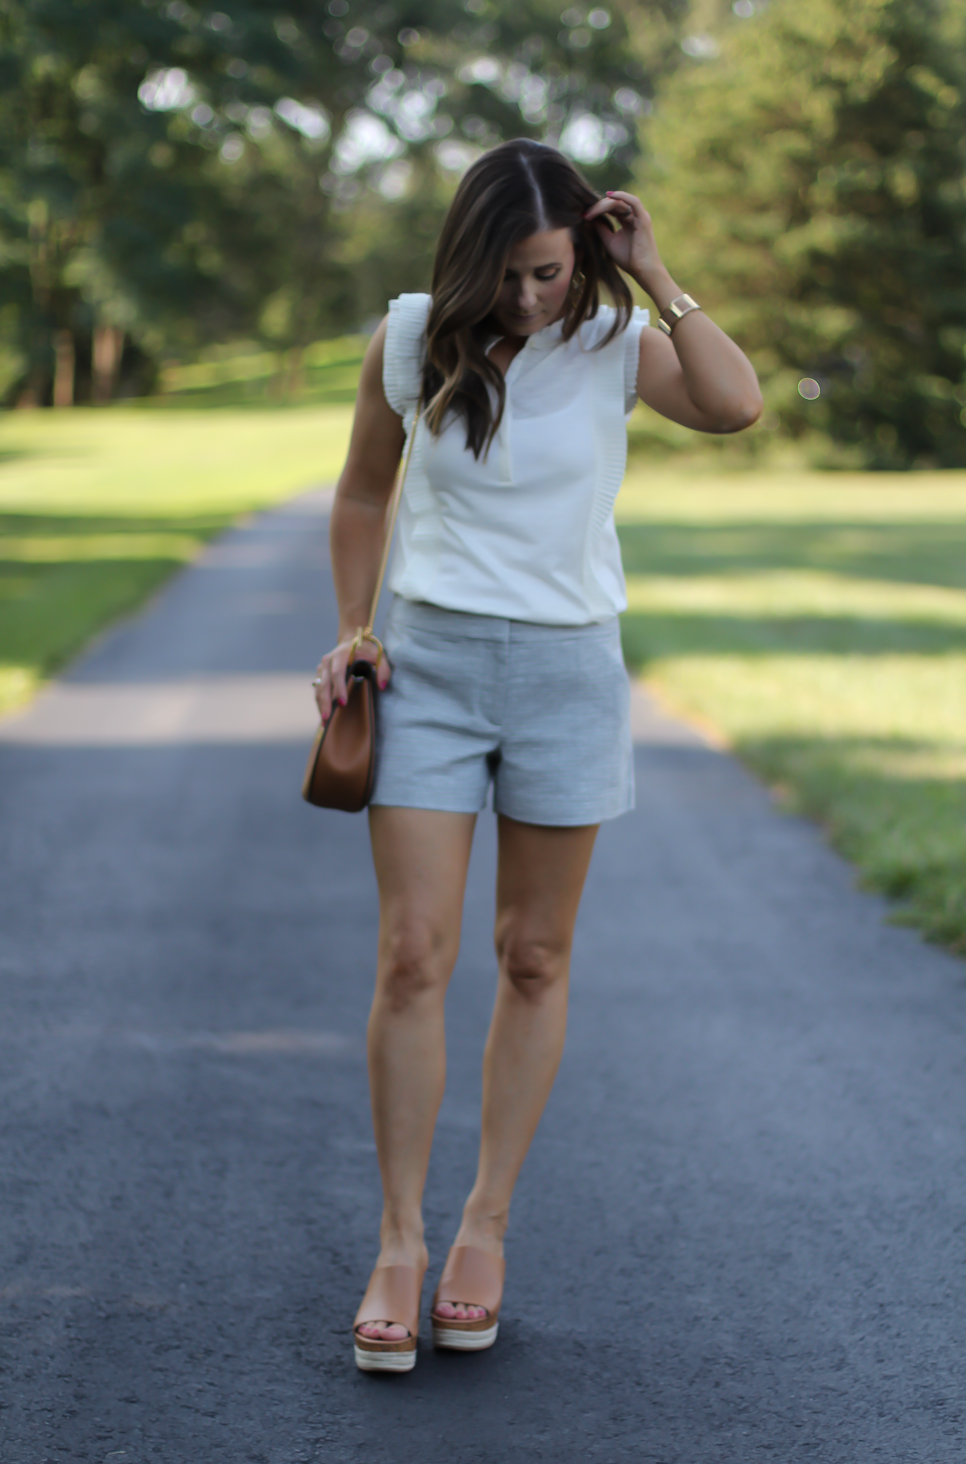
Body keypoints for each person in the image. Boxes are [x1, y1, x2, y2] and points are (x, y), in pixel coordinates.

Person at [312, 138, 762, 1373]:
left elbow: (736, 406)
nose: (530, 298)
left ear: (585, 252)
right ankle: (397, 1243)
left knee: (535, 953)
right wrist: (354, 627)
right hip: (433, 671)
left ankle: (484, 1228)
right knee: (413, 955)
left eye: (552, 272)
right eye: (510, 276)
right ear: (471, 262)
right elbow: (362, 493)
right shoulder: (410, 338)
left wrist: (658, 275)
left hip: (568, 674)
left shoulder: (618, 344)